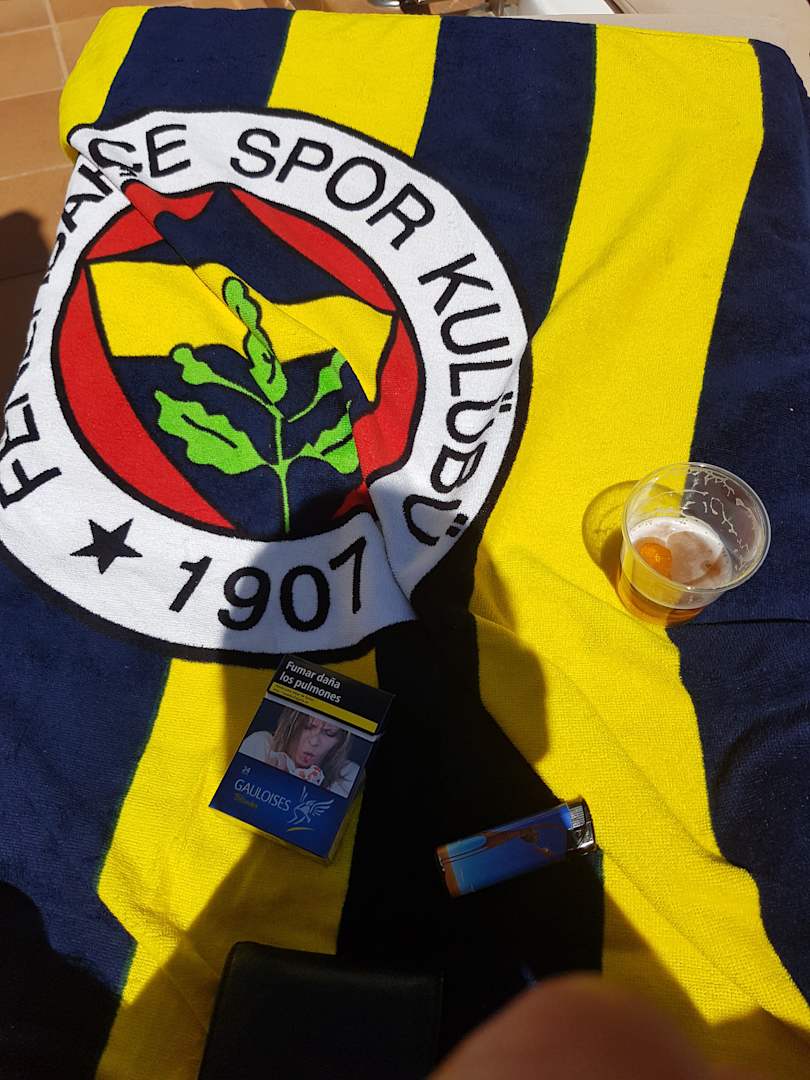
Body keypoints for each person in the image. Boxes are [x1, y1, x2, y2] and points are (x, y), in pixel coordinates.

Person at [240, 708, 359, 797]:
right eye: (307, 727)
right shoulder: (261, 744)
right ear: (291, 725)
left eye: (329, 733)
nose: (314, 742)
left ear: (340, 741)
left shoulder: (348, 773)